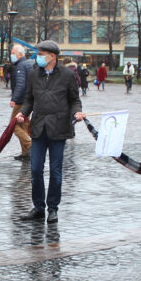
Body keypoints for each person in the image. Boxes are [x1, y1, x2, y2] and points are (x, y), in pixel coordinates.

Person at [14, 40, 85, 223]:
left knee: (55, 171)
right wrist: (23, 113)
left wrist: (77, 111)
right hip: (38, 128)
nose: (38, 57)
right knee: (36, 169)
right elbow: (29, 99)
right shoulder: (34, 75)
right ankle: (38, 207)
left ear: (52, 56)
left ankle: (53, 208)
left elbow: (74, 99)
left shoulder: (67, 75)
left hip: (59, 127)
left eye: (41, 54)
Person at [9, 44, 34, 161]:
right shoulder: (28, 64)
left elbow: (21, 84)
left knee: (13, 125)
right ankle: (25, 153)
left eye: (13, 53)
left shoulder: (20, 66)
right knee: (23, 126)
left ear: (19, 54)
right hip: (28, 100)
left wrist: (14, 98)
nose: (11, 55)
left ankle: (29, 145)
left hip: (21, 101)